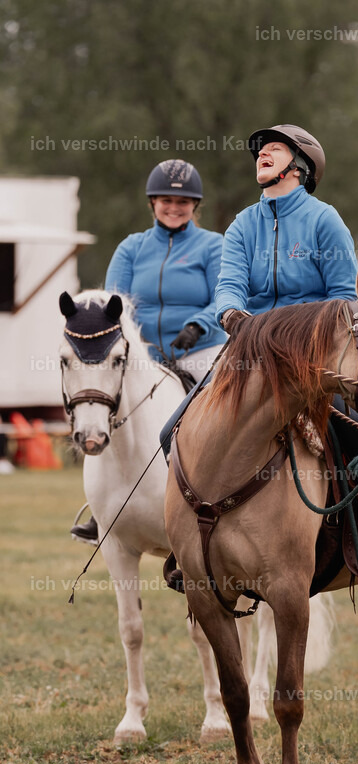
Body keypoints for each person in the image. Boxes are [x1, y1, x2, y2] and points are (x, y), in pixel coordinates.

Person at [215, 123, 358, 577]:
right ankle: (190, 536)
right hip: (249, 353)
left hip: (313, 359)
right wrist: (231, 316)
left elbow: (345, 298)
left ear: (300, 167)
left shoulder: (325, 220)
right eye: (260, 150)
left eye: (275, 149)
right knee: (174, 430)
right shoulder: (243, 224)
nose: (263, 154)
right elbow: (228, 286)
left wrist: (301, 337)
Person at [71, 159, 224, 544]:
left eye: (183, 201)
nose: (174, 207)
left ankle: (219, 495)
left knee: (219, 418)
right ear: (153, 202)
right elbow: (113, 305)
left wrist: (198, 326)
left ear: (195, 206)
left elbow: (225, 296)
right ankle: (103, 507)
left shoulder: (212, 246)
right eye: (166, 200)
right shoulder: (131, 248)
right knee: (106, 409)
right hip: (144, 357)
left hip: (199, 351)